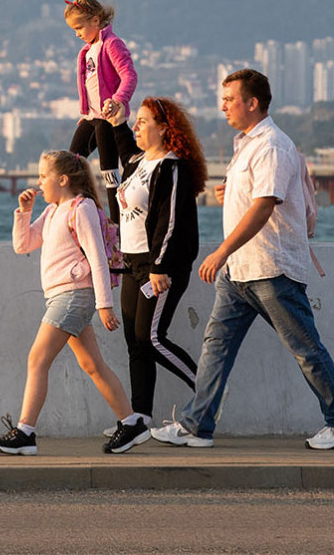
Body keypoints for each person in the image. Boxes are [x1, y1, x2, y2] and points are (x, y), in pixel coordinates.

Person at [150, 69, 334, 450]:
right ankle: (196, 425)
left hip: (271, 269)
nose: (223, 105)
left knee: (305, 349)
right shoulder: (246, 144)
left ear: (253, 103)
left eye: (230, 99)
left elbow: (265, 206)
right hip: (240, 273)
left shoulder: (272, 145)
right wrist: (229, 196)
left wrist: (221, 251)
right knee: (215, 347)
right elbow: (253, 197)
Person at [0, 150, 148, 456]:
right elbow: (23, 246)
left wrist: (105, 305)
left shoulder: (81, 208)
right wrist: (24, 212)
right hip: (62, 296)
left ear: (63, 179)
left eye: (43, 176)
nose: (39, 182)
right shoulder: (52, 211)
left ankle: (25, 433)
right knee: (92, 365)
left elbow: (98, 257)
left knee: (37, 359)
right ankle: (131, 423)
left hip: (74, 295)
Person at [97, 96, 203, 438]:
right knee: (135, 343)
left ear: (163, 128)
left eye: (144, 122)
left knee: (151, 338)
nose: (138, 127)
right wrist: (119, 123)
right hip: (132, 263)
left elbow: (168, 223)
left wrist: (160, 267)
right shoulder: (139, 162)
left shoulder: (172, 168)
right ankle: (139, 418)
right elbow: (126, 149)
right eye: (138, 122)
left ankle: (207, 394)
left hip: (160, 266)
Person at [64, 0, 137, 225]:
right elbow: (90, 87)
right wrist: (85, 112)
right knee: (72, 162)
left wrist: (118, 100)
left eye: (79, 27)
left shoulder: (111, 44)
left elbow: (129, 75)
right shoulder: (86, 51)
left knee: (109, 172)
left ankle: (116, 224)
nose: (77, 34)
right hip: (90, 118)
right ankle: (81, 212)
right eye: (74, 30)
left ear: (96, 20)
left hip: (107, 118)